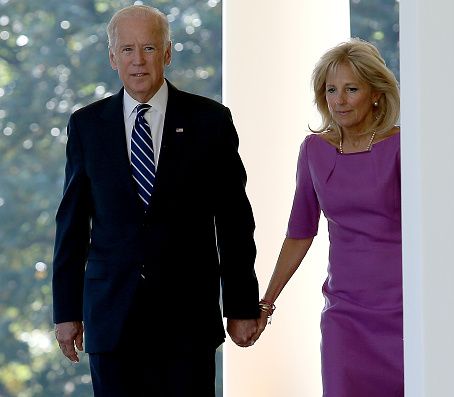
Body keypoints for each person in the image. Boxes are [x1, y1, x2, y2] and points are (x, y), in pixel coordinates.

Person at [52, 5, 260, 396]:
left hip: (188, 320)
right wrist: (66, 312)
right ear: (112, 57)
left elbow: (234, 221)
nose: (138, 60)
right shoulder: (86, 125)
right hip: (111, 316)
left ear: (167, 53)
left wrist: (242, 305)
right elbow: (72, 226)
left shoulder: (210, 121)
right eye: (127, 49)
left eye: (148, 48)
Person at [254, 38, 402, 396]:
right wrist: (266, 303)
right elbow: (300, 232)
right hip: (344, 313)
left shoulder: (403, 146)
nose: (339, 100)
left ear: (376, 94)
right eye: (331, 89)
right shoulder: (314, 150)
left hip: (403, 310)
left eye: (352, 89)